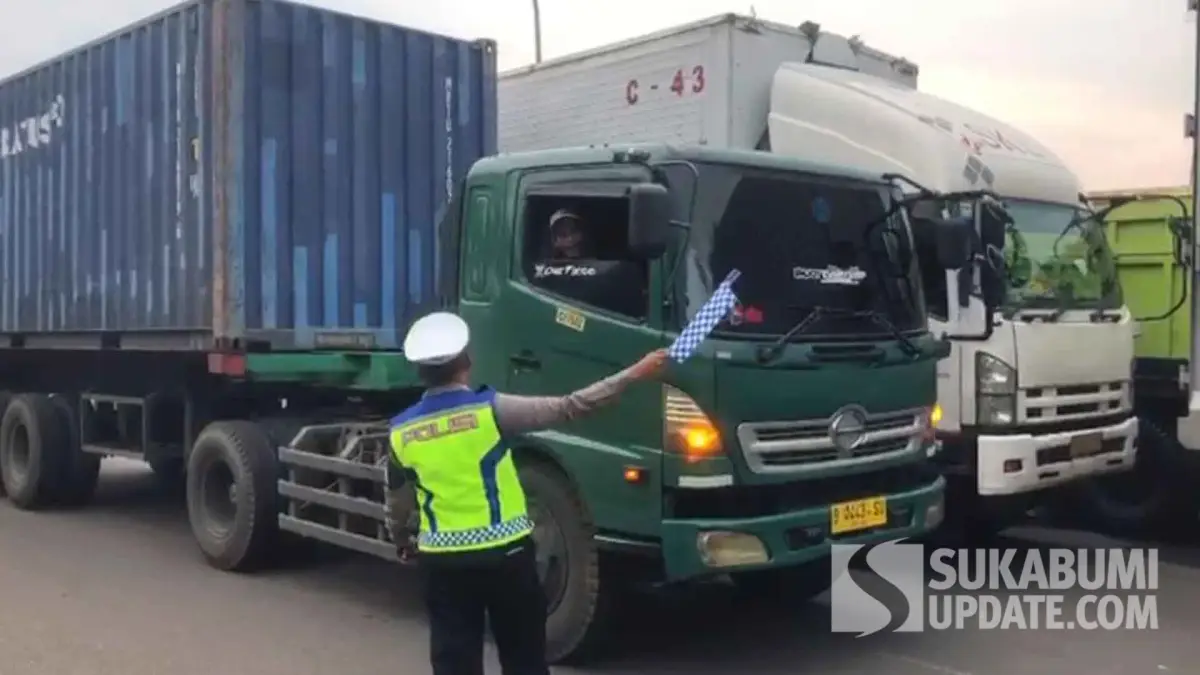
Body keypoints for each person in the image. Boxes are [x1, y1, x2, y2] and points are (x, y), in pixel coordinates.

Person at [389, 311, 668, 675]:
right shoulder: (492, 411)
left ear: (420, 371)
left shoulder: (400, 432)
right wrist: (637, 372)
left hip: (443, 562)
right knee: (524, 660)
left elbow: (397, 503)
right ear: (466, 362)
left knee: (454, 662)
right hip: (507, 557)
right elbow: (574, 405)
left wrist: (403, 541)